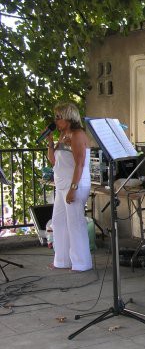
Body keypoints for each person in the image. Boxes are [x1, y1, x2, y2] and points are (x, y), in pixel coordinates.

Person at [46, 102, 92, 272]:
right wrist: (50, 143)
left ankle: (81, 263)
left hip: (75, 184)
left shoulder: (77, 134)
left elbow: (79, 164)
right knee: (58, 222)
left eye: (59, 117)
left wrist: (73, 188)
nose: (56, 121)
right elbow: (53, 161)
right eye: (56, 117)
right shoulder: (63, 135)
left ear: (69, 117)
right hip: (61, 184)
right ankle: (62, 260)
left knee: (75, 223)